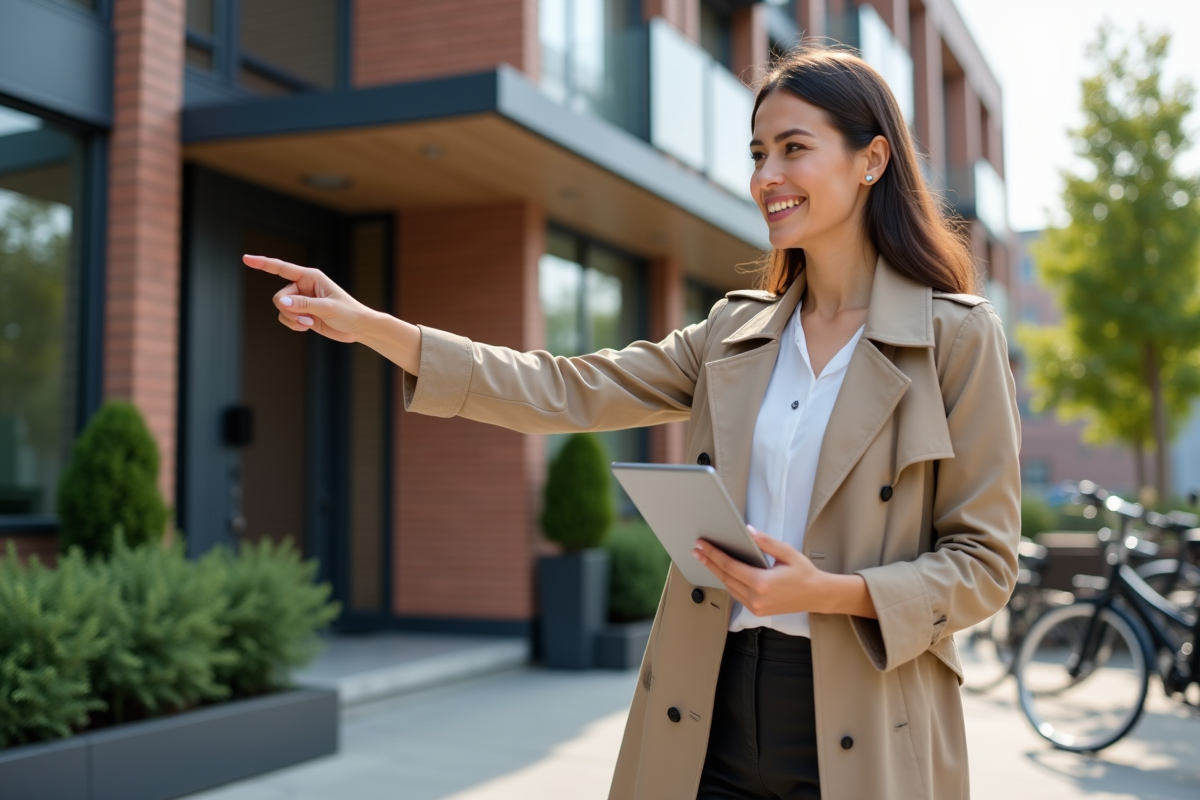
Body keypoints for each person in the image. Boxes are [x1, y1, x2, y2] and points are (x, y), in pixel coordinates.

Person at [244, 44, 1020, 800]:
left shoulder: (954, 337)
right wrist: (374, 326)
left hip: (868, 715)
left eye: (793, 148)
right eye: (758, 153)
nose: (765, 177)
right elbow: (565, 389)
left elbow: (985, 564)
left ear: (872, 160)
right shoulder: (734, 332)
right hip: (708, 701)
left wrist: (831, 591)